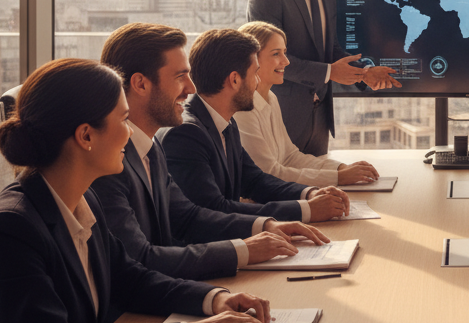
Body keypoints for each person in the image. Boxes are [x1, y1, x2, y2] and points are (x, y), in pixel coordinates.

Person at [0, 59, 274, 323]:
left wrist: (215, 300)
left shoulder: (83, 199)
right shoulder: (8, 229)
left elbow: (131, 278)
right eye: (123, 120)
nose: (130, 133)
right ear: (86, 136)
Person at [94, 23, 330, 281]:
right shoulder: (113, 162)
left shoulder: (152, 147)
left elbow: (190, 215)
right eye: (180, 76)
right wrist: (243, 250)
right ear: (140, 84)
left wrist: (269, 224)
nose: (191, 88)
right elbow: (143, 258)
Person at [247, 0, 399, 156]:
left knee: (320, 191)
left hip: (319, 124)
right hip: (282, 119)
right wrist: (330, 72)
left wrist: (365, 74)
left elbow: (331, 49)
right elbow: (268, 60)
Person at [161, 29, 351, 221]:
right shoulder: (186, 134)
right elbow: (214, 209)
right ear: (235, 80)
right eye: (255, 73)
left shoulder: (227, 123)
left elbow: (255, 181)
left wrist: (309, 194)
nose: (257, 82)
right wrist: (305, 210)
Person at [237, 20, 380, 186]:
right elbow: (269, 173)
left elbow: (290, 157)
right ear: (251, 59)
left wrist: (340, 168)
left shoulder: (271, 98)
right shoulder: (242, 110)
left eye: (285, 52)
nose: (286, 61)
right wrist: (339, 178)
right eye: (276, 54)